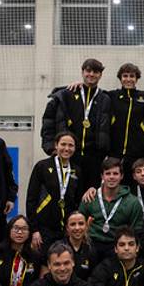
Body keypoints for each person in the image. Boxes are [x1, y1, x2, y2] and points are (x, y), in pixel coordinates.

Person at [40, 58, 111, 189]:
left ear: (100, 75)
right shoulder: (66, 95)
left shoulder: (105, 99)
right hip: (69, 155)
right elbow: (48, 123)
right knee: (67, 194)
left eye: (95, 72)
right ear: (82, 72)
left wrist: (106, 154)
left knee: (90, 195)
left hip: (94, 158)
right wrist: (51, 148)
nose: (91, 74)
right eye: (88, 71)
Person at [77, 157, 143, 263]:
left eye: (115, 174)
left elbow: (137, 231)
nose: (111, 177)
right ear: (102, 176)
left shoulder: (133, 202)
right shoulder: (90, 197)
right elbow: (78, 221)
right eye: (108, 173)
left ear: (121, 176)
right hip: (92, 244)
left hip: (116, 246)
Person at [26, 132, 82, 252]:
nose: (67, 148)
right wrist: (34, 230)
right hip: (44, 229)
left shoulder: (76, 170)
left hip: (66, 231)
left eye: (71, 145)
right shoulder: (42, 166)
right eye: (63, 144)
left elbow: (77, 200)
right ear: (56, 145)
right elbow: (31, 199)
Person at [108, 63, 144, 182]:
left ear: (137, 78)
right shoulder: (112, 96)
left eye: (132, 76)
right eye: (125, 76)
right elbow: (92, 90)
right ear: (120, 78)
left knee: (135, 189)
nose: (128, 79)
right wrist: (78, 84)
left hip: (137, 155)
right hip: (115, 154)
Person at [59, 211, 99, 281]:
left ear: (86, 226)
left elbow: (93, 277)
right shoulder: (58, 248)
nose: (77, 228)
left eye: (81, 224)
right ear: (67, 228)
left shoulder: (91, 249)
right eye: (73, 224)